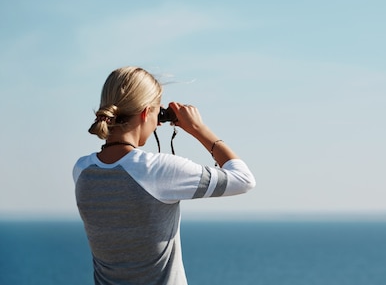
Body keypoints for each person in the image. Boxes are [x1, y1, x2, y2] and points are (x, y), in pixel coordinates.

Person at [73, 66, 256, 285]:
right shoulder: (156, 170)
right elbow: (244, 179)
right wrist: (198, 129)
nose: (159, 123)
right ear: (144, 112)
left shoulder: (82, 171)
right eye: (158, 113)